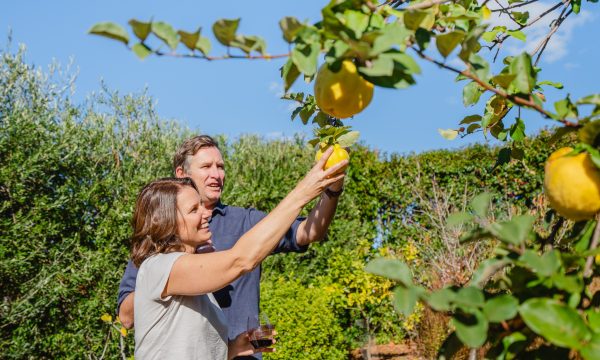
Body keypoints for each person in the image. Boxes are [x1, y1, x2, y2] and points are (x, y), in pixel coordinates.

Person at [118, 135, 346, 357]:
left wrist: (233, 348)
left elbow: (194, 346)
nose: (216, 174)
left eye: (220, 166)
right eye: (206, 166)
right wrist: (302, 192)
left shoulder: (206, 296)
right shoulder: (159, 265)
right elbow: (241, 259)